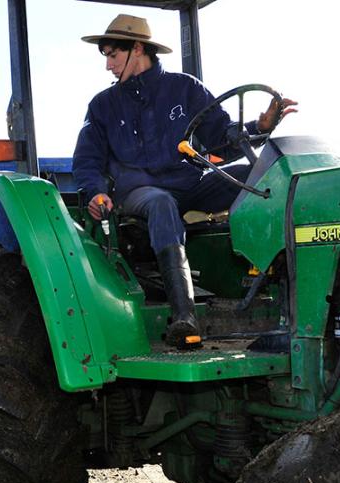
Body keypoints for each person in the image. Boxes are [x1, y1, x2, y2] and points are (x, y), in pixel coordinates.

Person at [71, 14, 297, 348]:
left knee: (265, 171)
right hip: (139, 192)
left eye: (112, 55)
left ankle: (281, 295)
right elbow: (87, 160)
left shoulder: (185, 89)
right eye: (104, 55)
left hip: (190, 183)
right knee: (161, 202)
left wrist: (260, 128)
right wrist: (95, 193)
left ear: (137, 49)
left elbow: (222, 139)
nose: (108, 65)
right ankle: (184, 317)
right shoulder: (103, 106)